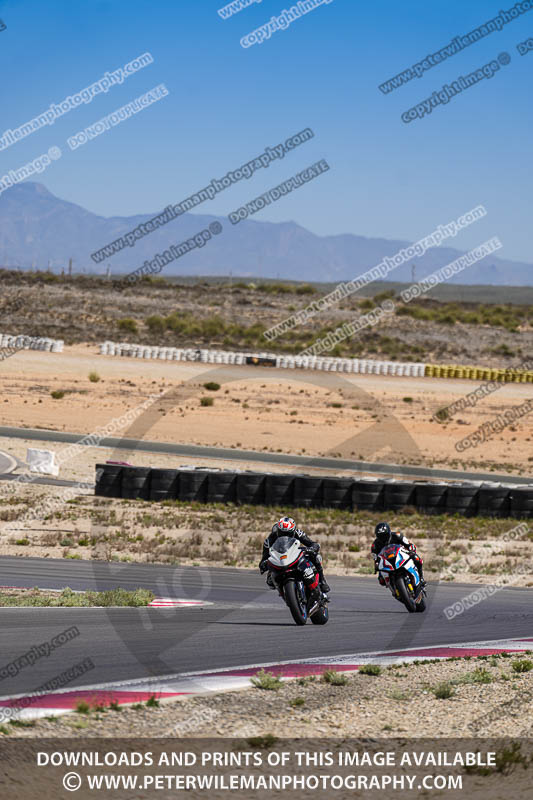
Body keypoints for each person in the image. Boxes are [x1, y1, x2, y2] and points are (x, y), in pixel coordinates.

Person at [259, 516, 331, 593]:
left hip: (294, 554)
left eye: (288, 533)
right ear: (278, 531)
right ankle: (284, 591)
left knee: (316, 557)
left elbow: (312, 544)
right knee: (270, 581)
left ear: (293, 531)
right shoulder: (270, 540)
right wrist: (263, 564)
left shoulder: (298, 533)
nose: (285, 536)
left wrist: (312, 549)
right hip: (279, 560)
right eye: (282, 533)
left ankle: (322, 581)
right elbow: (264, 558)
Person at [371, 521, 425, 588]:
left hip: (402, 554)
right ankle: (393, 586)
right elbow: (375, 558)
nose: (383, 538)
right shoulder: (375, 545)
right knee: (381, 580)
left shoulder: (397, 535)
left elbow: (409, 544)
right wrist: (376, 566)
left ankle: (421, 578)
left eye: (384, 535)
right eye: (380, 536)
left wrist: (412, 550)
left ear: (389, 533)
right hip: (387, 561)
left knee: (417, 559)